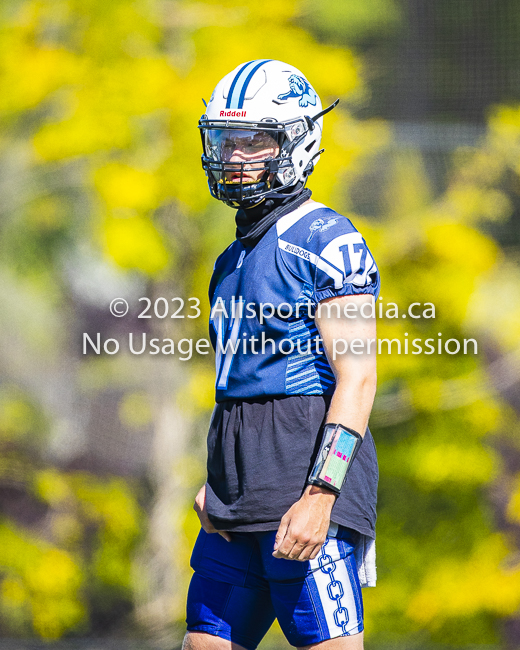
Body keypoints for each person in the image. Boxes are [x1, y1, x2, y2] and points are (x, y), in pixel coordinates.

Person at [184, 60, 380, 650]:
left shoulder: (325, 239)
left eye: (253, 140)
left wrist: (321, 495)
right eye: (225, 140)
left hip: (303, 493)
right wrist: (216, 480)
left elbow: (359, 378)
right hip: (234, 503)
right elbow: (238, 386)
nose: (235, 155)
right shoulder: (229, 260)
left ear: (296, 141)